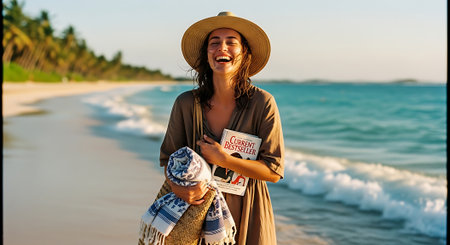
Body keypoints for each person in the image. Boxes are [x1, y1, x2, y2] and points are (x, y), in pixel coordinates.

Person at [159, 11, 284, 244]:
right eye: (214, 43)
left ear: (244, 52)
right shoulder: (186, 104)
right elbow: (168, 159)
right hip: (194, 212)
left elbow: (273, 171)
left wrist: (224, 160)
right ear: (206, 54)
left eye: (231, 42)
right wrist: (179, 189)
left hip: (249, 211)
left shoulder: (263, 103)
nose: (222, 48)